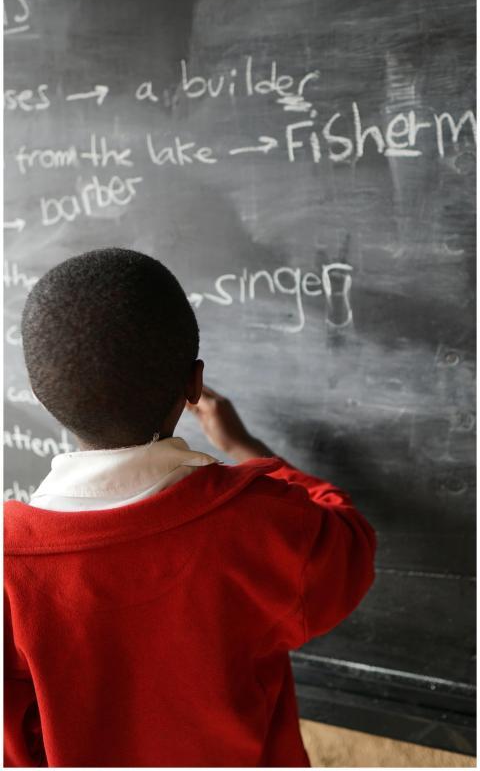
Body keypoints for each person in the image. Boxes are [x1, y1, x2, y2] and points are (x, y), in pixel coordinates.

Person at [4, 247, 376, 767]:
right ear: (195, 384)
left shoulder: (10, 565)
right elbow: (350, 540)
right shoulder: (265, 522)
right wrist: (247, 448)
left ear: (43, 398)